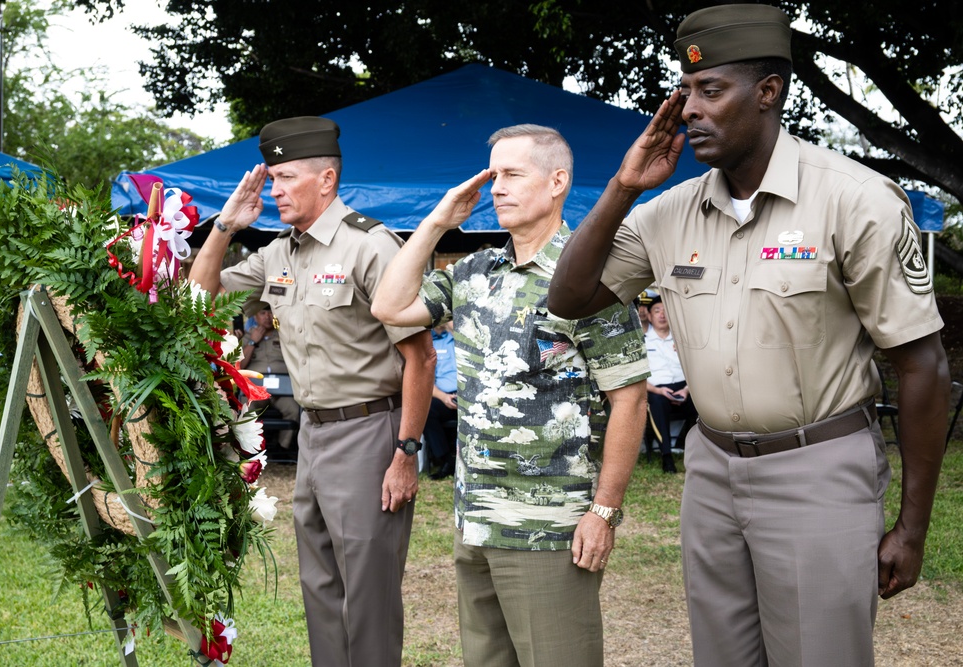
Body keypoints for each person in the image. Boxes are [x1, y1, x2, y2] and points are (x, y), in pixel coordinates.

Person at [547, 5, 950, 666]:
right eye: (685, 92)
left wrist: (911, 527)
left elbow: (923, 365)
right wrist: (623, 185)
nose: (689, 110)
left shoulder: (854, 199)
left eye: (711, 91)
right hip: (712, 471)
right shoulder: (668, 212)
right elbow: (569, 297)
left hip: (817, 468)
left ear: (768, 92)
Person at [371, 124, 649, 667]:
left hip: (549, 529)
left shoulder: (590, 281)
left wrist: (605, 511)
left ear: (556, 182)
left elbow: (630, 400)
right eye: (493, 175)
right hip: (475, 520)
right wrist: (435, 222)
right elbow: (389, 306)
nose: (496, 188)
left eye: (512, 174)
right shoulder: (476, 271)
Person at [188, 116, 435, 667]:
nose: (273, 190)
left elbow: (421, 356)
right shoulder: (278, 254)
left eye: (285, 178)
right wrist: (224, 227)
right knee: (320, 590)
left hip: (372, 432)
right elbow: (198, 299)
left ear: (326, 180)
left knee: (367, 598)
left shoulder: (371, 246)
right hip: (313, 435)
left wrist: (407, 452)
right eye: (271, 178)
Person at [236, 301, 302, 449]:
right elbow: (240, 366)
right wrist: (253, 342)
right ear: (255, 316)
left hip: (283, 390)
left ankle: (282, 448)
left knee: (294, 409)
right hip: (256, 391)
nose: (267, 316)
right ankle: (248, 448)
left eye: (270, 313)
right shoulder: (246, 337)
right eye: (263, 313)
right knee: (247, 408)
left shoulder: (285, 337)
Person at [643, 294, 697, 473]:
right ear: (650, 316)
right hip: (657, 390)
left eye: (666, 311)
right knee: (656, 403)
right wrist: (658, 391)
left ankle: (689, 446)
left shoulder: (682, 340)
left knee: (704, 401)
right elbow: (638, 379)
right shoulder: (643, 341)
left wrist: (687, 390)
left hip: (685, 388)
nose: (662, 315)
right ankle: (667, 456)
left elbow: (696, 368)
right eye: (657, 311)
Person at [424, 321, 458, 479]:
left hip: (466, 395)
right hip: (441, 395)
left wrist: (448, 323)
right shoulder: (427, 342)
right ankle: (446, 460)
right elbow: (424, 380)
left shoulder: (455, 337)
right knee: (426, 410)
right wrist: (443, 397)